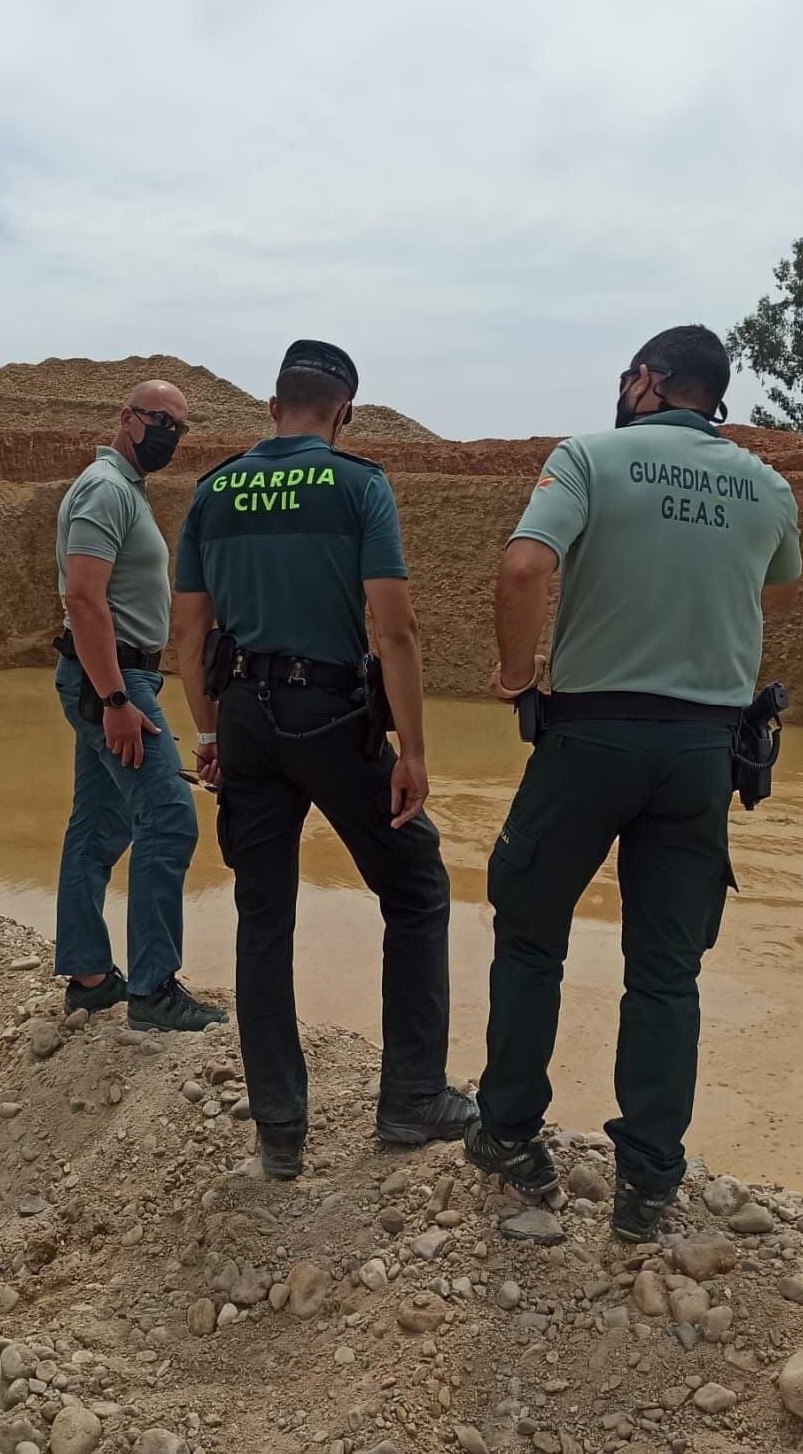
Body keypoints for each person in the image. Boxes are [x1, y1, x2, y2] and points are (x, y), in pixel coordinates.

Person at [467, 324, 802, 1243]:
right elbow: (772, 581)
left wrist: (512, 672)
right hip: (702, 751)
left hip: (591, 736)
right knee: (666, 970)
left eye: (629, 375)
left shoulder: (587, 457)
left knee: (530, 933)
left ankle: (505, 1132)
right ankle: (648, 1184)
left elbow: (527, 562)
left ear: (649, 381)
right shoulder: (768, 483)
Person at [173, 340, 470, 1180]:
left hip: (242, 720)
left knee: (264, 916)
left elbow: (188, 636)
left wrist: (207, 735)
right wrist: (413, 749)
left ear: (273, 407)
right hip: (329, 715)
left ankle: (279, 1131)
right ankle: (411, 1099)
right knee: (414, 881)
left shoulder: (213, 490)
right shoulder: (359, 484)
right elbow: (397, 628)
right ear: (344, 413)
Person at [52, 380, 223, 1033]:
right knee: (170, 817)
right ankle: (153, 989)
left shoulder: (122, 490)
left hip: (112, 677)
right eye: (160, 420)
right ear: (126, 418)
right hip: (113, 681)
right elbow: (84, 600)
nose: (169, 435)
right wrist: (117, 698)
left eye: (180, 426)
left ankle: (90, 977)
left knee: (97, 825)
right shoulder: (104, 489)